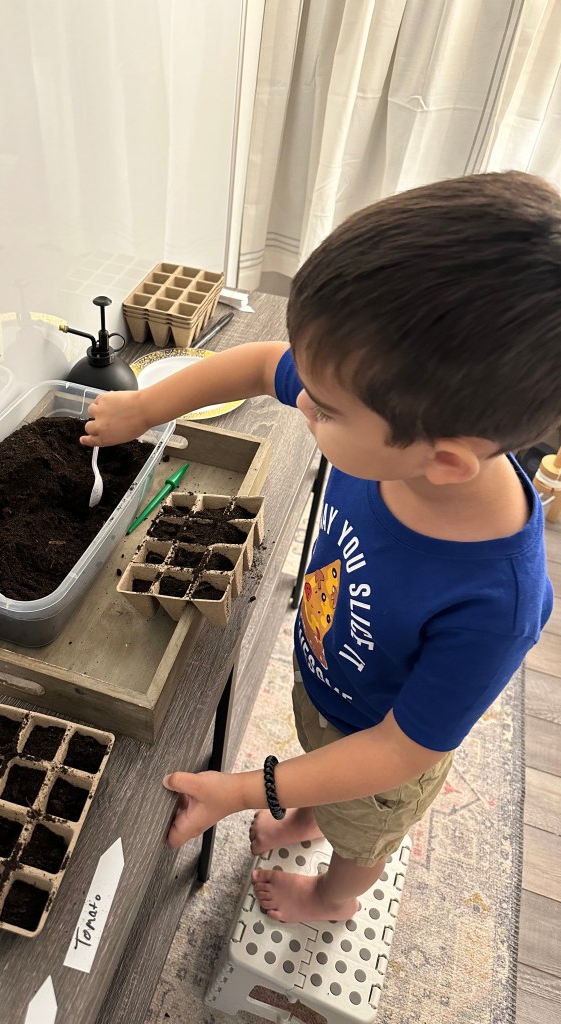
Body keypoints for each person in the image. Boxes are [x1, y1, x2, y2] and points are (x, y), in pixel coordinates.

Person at [80, 171, 558, 923]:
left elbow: (401, 752)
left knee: (359, 840)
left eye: (325, 409)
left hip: (381, 761)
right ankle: (307, 806)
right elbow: (256, 361)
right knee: (313, 762)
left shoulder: (498, 602)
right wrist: (144, 406)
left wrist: (246, 791)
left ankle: (328, 900)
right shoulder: (387, 400)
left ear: (444, 461)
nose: (301, 398)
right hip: (327, 678)